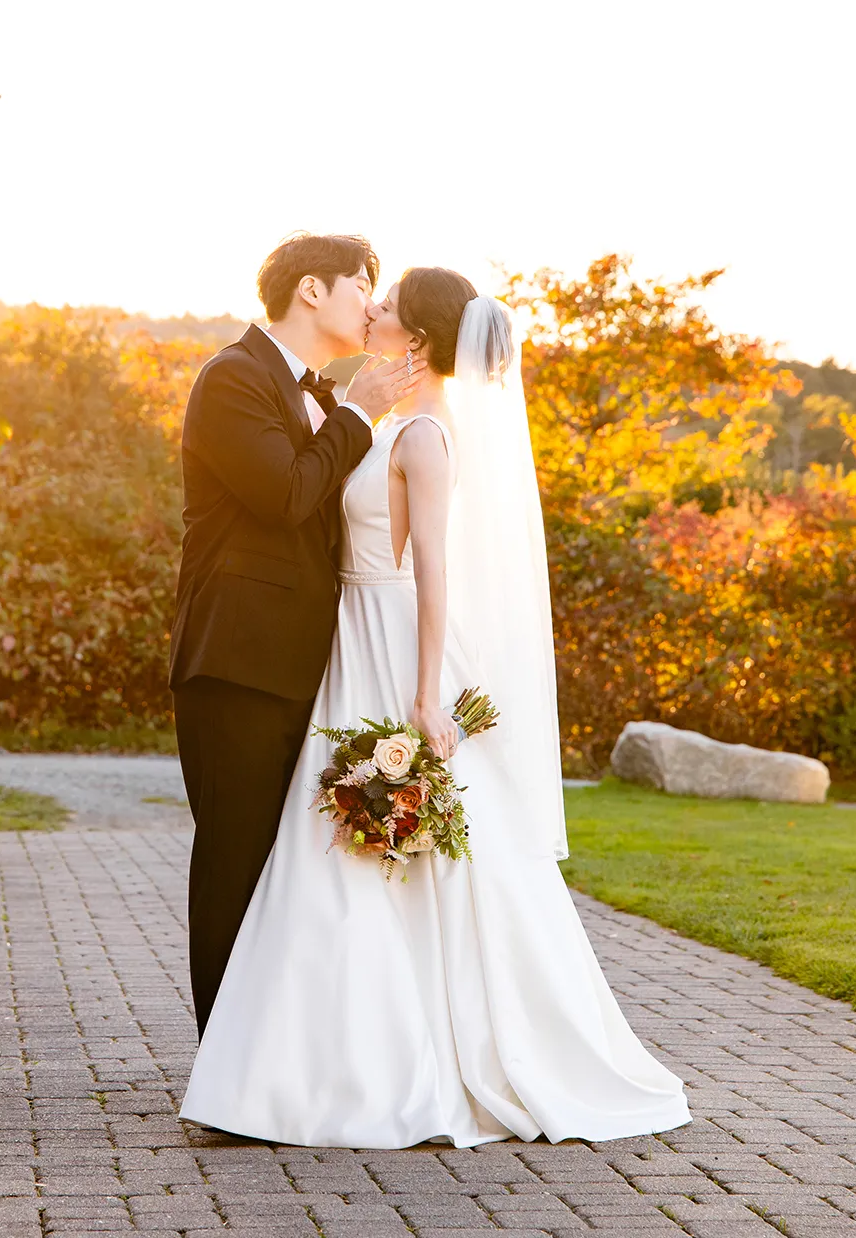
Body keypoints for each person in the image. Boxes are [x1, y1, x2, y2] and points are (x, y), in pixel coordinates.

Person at [179, 269, 692, 1147]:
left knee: (393, 848)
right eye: (363, 296)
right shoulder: (378, 420)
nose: (368, 311)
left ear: (413, 337)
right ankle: (309, 1054)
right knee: (327, 850)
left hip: (390, 642)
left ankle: (416, 1051)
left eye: (383, 307)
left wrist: (424, 692)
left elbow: (435, 573)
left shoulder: (422, 432)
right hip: (348, 639)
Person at [171, 233, 425, 1035]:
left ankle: (275, 1055)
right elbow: (285, 494)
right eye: (362, 284)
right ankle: (225, 1060)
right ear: (311, 291)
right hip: (239, 663)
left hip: (310, 667)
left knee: (290, 872)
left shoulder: (318, 393)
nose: (371, 302)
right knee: (235, 862)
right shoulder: (233, 378)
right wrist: (356, 412)